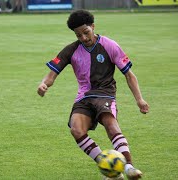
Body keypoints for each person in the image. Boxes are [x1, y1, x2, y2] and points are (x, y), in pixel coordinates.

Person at [37, 10, 149, 180]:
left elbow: (129, 74)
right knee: (76, 130)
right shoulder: (70, 50)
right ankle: (109, 168)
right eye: (78, 35)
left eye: (86, 32)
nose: (83, 38)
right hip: (84, 97)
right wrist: (44, 84)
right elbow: (52, 74)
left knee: (111, 125)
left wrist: (139, 100)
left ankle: (128, 167)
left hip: (105, 94)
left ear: (93, 27)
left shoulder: (109, 45)